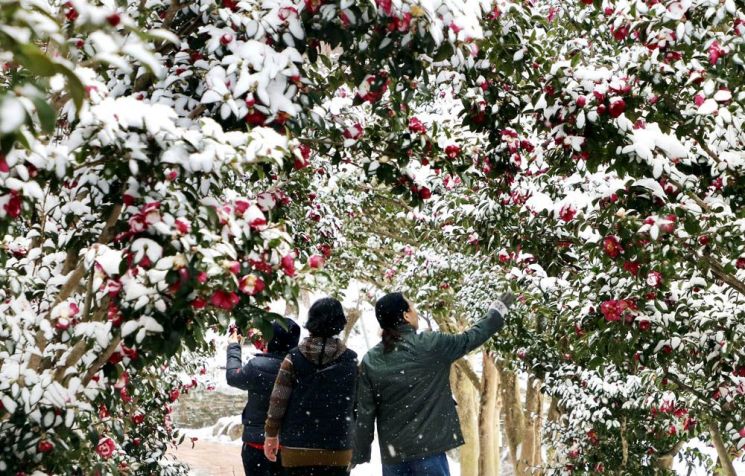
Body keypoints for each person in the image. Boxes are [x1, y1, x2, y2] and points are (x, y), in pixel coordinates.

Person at [352, 291, 516, 476]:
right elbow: (471, 338)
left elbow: (365, 413)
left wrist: (361, 452)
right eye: (412, 308)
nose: (415, 312)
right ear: (405, 315)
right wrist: (496, 312)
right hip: (429, 453)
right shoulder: (431, 344)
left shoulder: (371, 360)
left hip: (394, 455)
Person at [263, 297, 358, 476]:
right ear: (340, 323)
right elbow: (357, 404)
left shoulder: (293, 358)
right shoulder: (351, 361)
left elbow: (278, 400)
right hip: (337, 448)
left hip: (296, 447)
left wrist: (270, 434)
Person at [226, 319, 301, 476]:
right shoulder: (302, 369)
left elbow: (233, 377)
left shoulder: (257, 366)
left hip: (256, 443)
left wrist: (234, 346)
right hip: (289, 445)